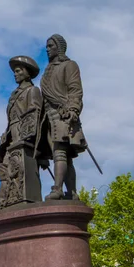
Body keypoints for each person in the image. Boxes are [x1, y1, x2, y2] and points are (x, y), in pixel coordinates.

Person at [39, 34, 87, 200]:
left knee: (61, 152)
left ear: (59, 48)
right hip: (48, 118)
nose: (47, 49)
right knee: (63, 156)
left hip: (63, 114)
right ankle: (72, 192)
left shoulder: (69, 65)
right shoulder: (47, 72)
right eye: (46, 46)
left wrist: (73, 109)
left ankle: (58, 189)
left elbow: (75, 90)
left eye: (51, 46)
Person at [0, 56, 44, 208]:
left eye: (18, 71)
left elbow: (35, 113)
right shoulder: (14, 95)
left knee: (20, 168)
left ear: (27, 73)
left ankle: (22, 198)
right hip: (11, 134)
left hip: (23, 133)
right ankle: (5, 200)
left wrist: (26, 136)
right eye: (14, 71)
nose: (15, 74)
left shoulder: (32, 91)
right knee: (4, 168)